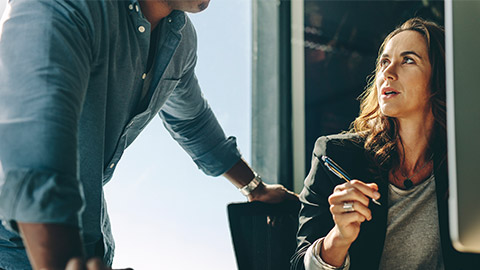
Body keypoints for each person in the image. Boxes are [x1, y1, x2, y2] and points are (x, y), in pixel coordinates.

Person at [0, 0, 298, 269]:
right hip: (16, 242)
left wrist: (255, 188)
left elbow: (193, 122)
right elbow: (35, 155)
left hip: (90, 238)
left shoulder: (180, 39)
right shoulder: (65, 6)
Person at [291, 18, 480, 270]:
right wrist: (339, 238)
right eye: (384, 62)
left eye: (408, 60)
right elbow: (298, 266)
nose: (388, 73)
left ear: (441, 77)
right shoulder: (335, 156)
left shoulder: (468, 165)